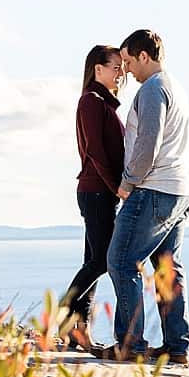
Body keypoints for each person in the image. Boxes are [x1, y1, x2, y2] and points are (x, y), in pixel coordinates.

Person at [91, 29, 189, 364]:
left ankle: (131, 345)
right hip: (181, 189)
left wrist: (128, 181)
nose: (127, 71)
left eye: (128, 61)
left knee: (121, 262)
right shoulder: (175, 88)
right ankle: (177, 347)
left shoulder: (152, 90)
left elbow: (148, 142)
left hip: (153, 187)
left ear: (144, 56)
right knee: (167, 269)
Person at [60, 45, 126, 351]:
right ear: (97, 69)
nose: (121, 72)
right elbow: (95, 153)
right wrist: (116, 187)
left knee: (93, 261)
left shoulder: (105, 104)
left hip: (101, 192)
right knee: (101, 260)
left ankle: (78, 329)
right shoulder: (91, 102)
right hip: (96, 191)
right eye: (115, 67)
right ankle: (60, 318)